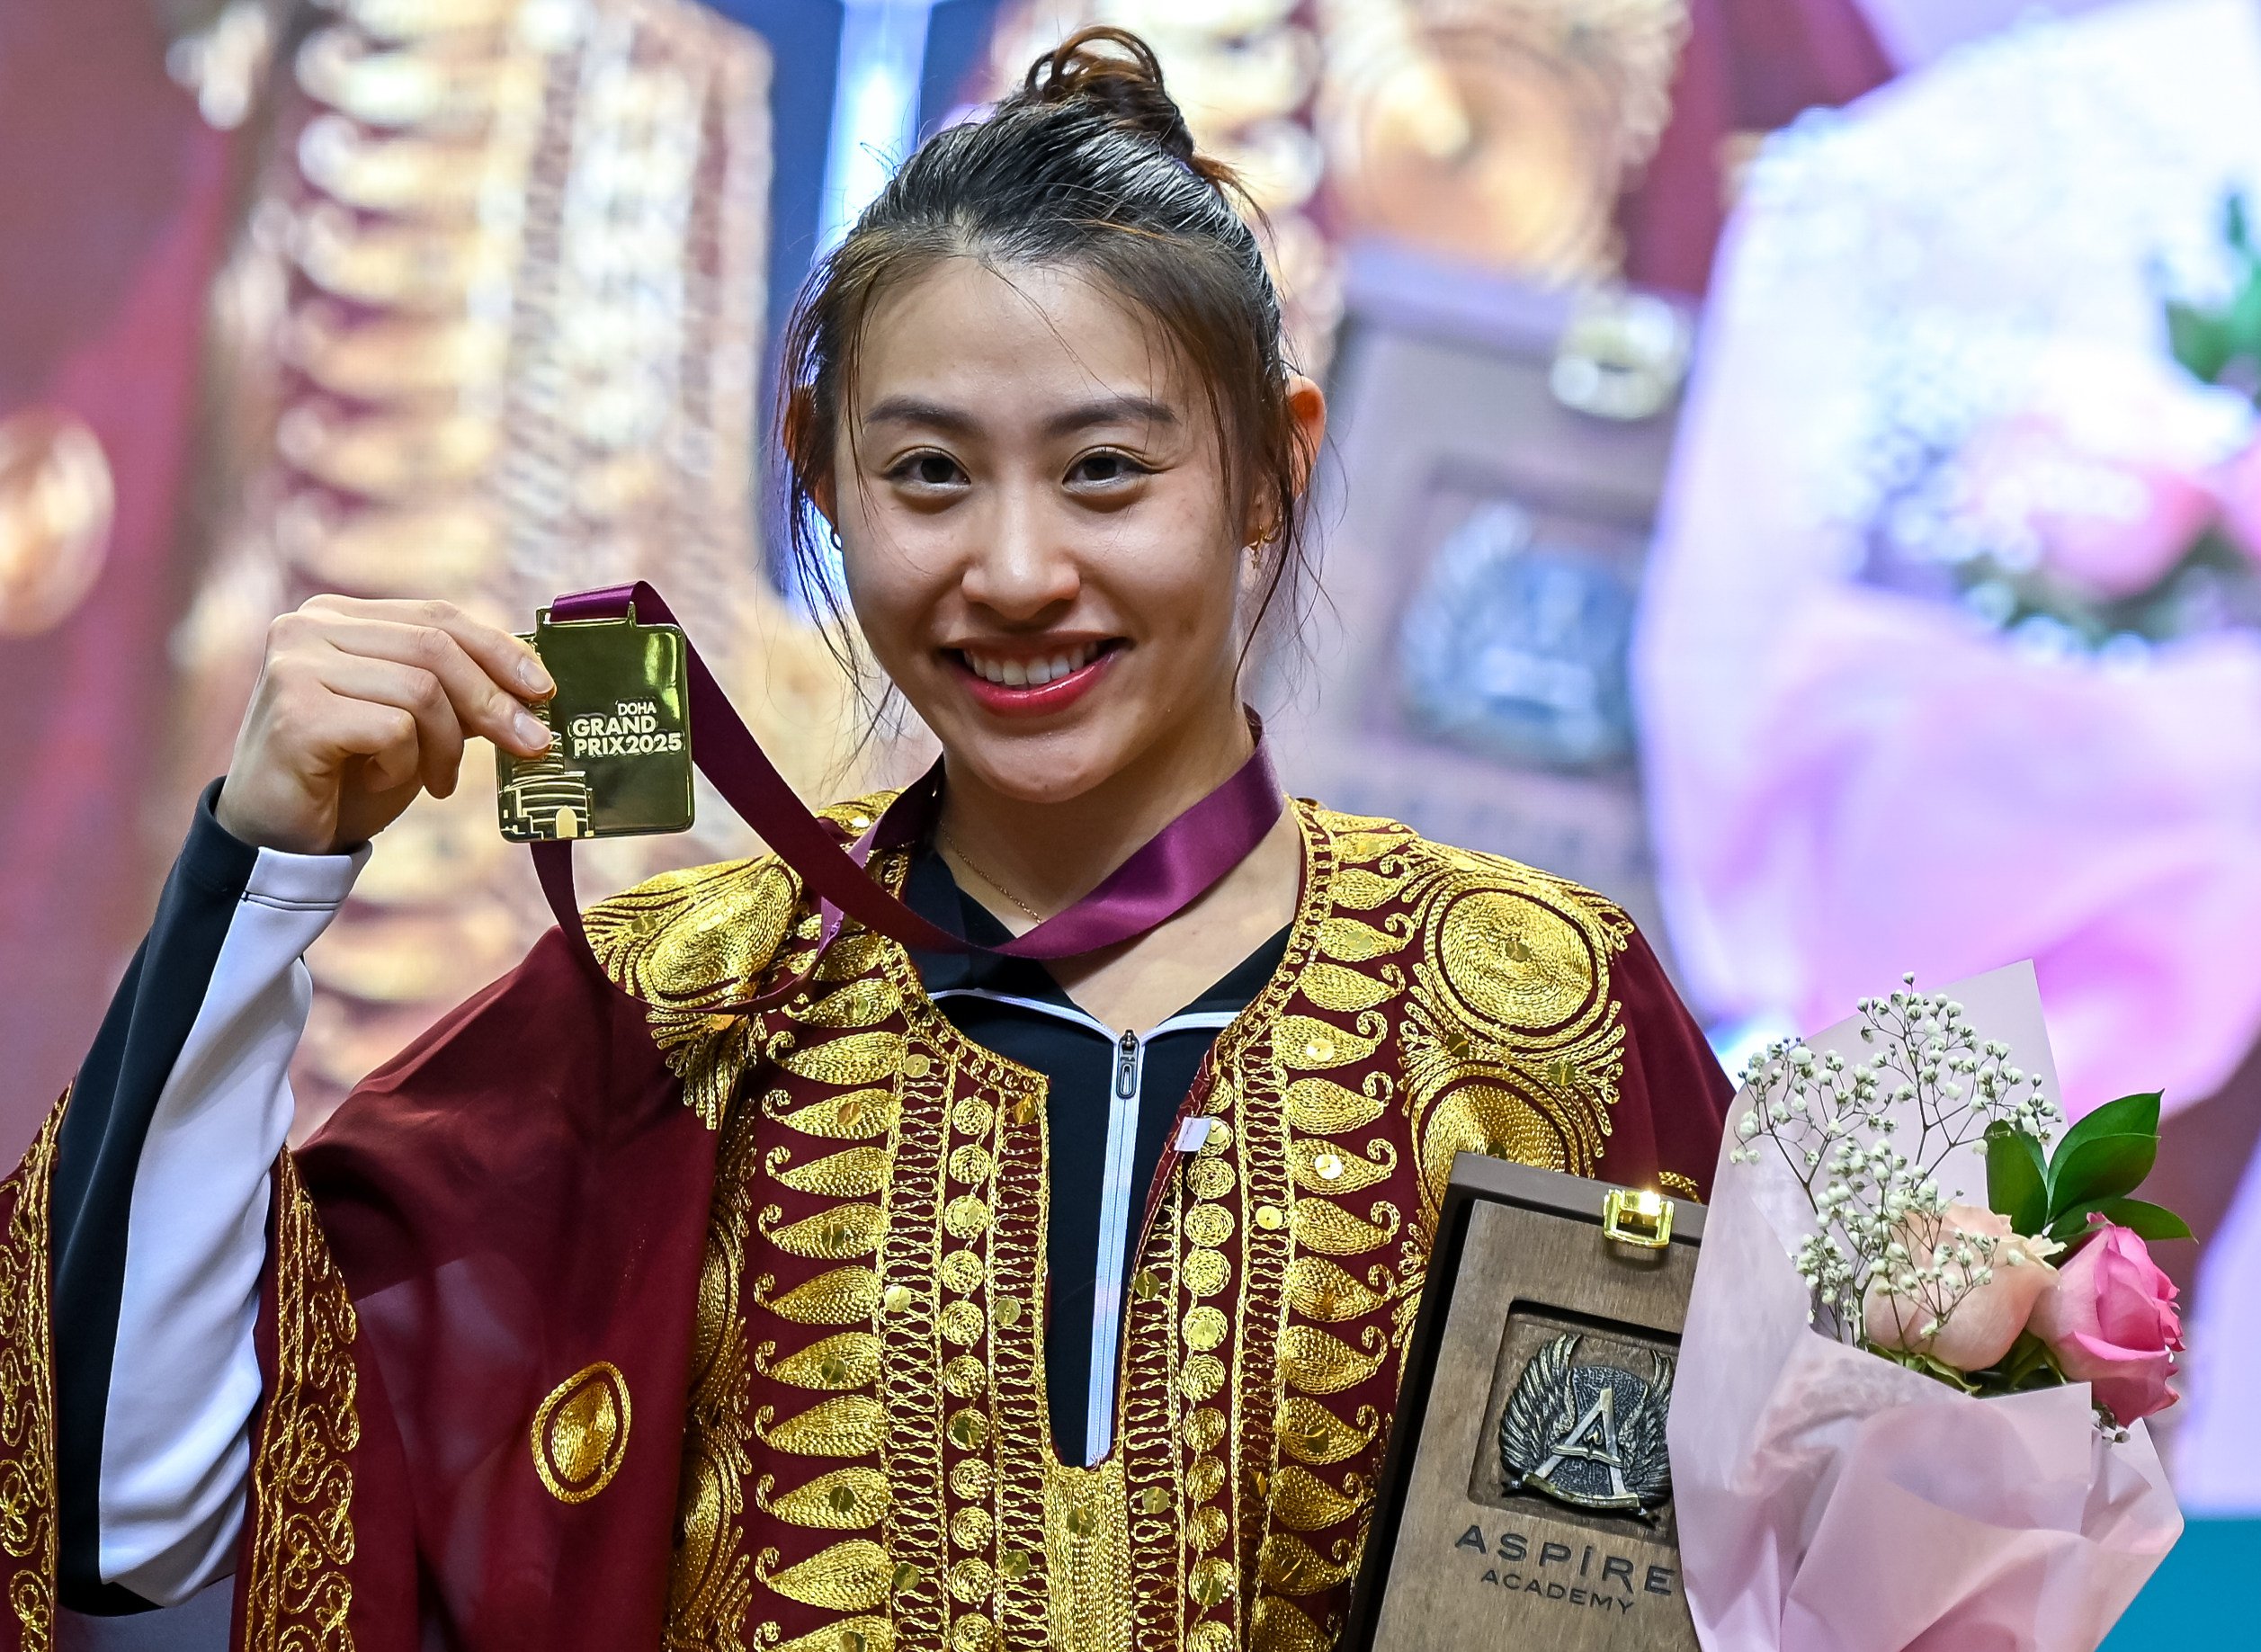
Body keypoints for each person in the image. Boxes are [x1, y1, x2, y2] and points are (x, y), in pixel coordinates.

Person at [0, 30, 1729, 1652]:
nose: (1018, 569)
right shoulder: (668, 1018)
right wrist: (262, 867)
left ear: (1273, 470)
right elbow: (126, 1501)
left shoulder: (1540, 1015)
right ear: (818, 479)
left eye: (1108, 471)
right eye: (925, 475)